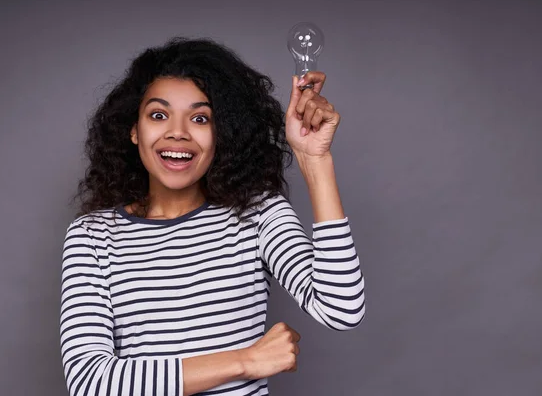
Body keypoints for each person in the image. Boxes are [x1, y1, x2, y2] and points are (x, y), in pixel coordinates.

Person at [59, 37, 366, 396]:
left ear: (222, 133)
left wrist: (315, 161)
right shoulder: (92, 237)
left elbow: (341, 308)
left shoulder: (257, 214)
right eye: (158, 115)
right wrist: (245, 361)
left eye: (200, 118)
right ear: (133, 129)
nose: (178, 132)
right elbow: (90, 383)